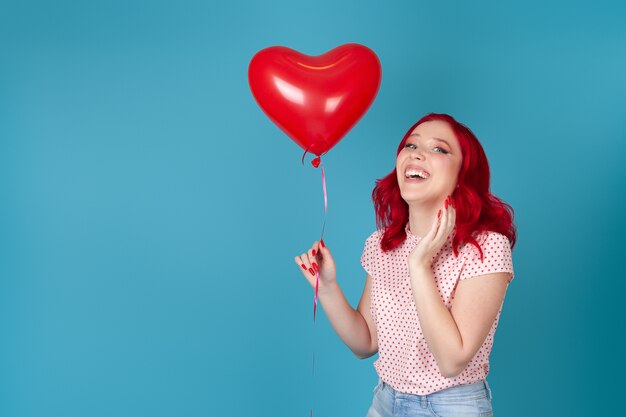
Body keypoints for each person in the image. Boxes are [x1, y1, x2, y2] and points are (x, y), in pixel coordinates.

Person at [294, 113, 516, 416]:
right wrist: (328, 288)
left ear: (463, 175)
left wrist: (420, 266)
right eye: (410, 145)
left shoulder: (486, 247)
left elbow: (452, 361)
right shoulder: (382, 243)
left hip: (450, 407)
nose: (417, 154)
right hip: (385, 402)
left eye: (439, 149)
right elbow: (366, 342)